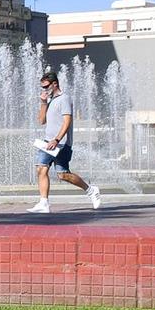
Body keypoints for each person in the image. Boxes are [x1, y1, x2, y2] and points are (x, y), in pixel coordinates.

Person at [28, 70, 101, 213]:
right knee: (45, 169)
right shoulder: (50, 101)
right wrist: (43, 103)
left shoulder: (64, 99)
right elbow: (41, 121)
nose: (44, 89)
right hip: (48, 142)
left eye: (46, 86)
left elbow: (67, 121)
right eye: (42, 87)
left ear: (55, 84)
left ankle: (90, 190)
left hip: (60, 143)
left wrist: (56, 139)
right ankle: (44, 203)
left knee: (62, 174)